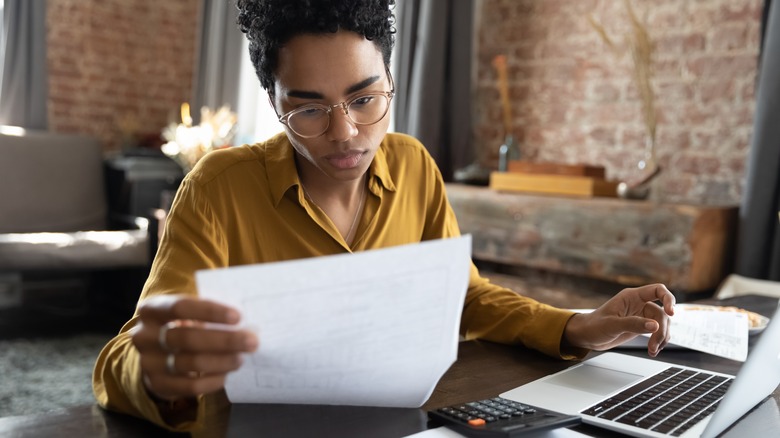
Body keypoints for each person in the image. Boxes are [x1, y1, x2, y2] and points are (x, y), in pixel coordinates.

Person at [92, 0, 675, 432]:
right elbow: (124, 356)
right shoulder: (217, 189)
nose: (346, 134)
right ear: (273, 102)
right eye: (309, 109)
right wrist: (154, 372)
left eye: (366, 99)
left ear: (392, 82)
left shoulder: (415, 166)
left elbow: (464, 297)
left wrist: (576, 325)